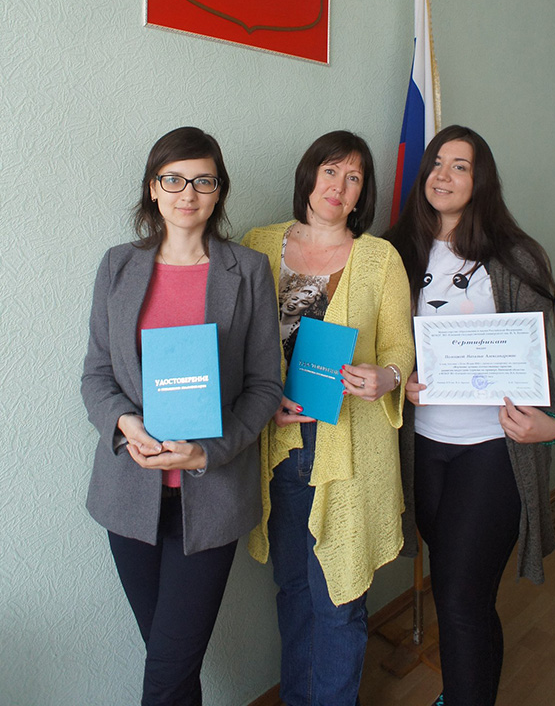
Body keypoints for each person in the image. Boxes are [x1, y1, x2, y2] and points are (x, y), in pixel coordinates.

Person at [81, 127, 282, 706]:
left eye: (202, 181)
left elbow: (265, 387)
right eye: (173, 179)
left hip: (210, 496)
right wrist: (126, 424)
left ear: (219, 192)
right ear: (153, 188)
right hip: (129, 497)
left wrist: (206, 453)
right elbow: (96, 374)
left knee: (167, 671)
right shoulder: (118, 266)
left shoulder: (248, 269)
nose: (187, 193)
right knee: (170, 664)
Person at [385, 124, 555, 706]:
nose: (443, 175)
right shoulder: (396, 253)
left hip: (492, 451)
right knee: (464, 594)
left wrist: (550, 425)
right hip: (425, 451)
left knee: (460, 597)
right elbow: (384, 346)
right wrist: (400, 380)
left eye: (459, 166)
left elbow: (539, 368)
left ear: (480, 179)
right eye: (436, 163)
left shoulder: (514, 258)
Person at [242, 130, 414, 706]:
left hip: (349, 448)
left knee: (339, 600)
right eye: (330, 170)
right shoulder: (258, 245)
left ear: (363, 193)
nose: (339, 186)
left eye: (354, 177)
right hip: (280, 445)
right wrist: (258, 399)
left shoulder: (380, 258)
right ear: (309, 175)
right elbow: (234, 340)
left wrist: (387, 376)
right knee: (293, 591)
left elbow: (399, 347)